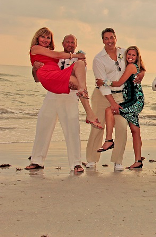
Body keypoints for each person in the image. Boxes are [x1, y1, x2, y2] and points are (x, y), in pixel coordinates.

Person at [86, 28, 144, 171]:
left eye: (112, 37)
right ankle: (92, 159)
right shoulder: (98, 59)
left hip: (121, 95)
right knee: (98, 126)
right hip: (102, 95)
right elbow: (102, 84)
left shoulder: (124, 53)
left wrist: (141, 73)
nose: (109, 41)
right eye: (106, 38)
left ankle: (118, 160)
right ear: (103, 41)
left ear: (116, 38)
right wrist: (112, 103)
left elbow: (137, 63)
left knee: (122, 127)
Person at [26, 34, 85, 173]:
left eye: (73, 42)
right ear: (62, 43)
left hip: (70, 96)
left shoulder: (80, 60)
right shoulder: (54, 57)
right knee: (43, 125)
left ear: (76, 45)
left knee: (72, 129)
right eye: (67, 42)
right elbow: (37, 79)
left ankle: (76, 163)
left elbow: (79, 81)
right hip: (52, 95)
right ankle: (36, 161)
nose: (70, 44)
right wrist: (35, 68)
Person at [29, 27, 101, 128]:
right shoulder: (35, 48)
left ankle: (89, 113)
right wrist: (34, 68)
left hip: (60, 79)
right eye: (42, 37)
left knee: (79, 66)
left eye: (48, 37)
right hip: (48, 76)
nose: (45, 40)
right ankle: (88, 110)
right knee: (78, 79)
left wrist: (79, 59)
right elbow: (37, 79)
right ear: (37, 38)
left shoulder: (49, 52)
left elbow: (80, 76)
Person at [96, 46, 145, 169]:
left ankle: (108, 140)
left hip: (134, 101)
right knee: (135, 131)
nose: (130, 57)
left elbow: (118, 83)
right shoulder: (134, 67)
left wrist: (104, 82)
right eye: (129, 54)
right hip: (135, 100)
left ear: (137, 57)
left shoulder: (131, 67)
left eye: (133, 55)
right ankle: (138, 161)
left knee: (109, 110)